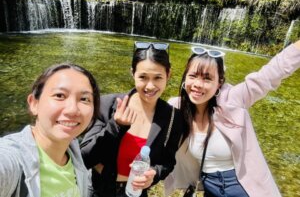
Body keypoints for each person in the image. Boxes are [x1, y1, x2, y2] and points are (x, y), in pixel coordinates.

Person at [164, 40, 300, 197]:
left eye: (207, 79)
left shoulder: (232, 100)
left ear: (219, 82)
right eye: (193, 76)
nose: (198, 84)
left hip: (243, 188)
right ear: (185, 78)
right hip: (209, 188)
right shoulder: (177, 108)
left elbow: (270, 74)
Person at [80, 41, 187, 197]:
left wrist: (154, 174)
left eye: (158, 77)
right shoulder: (107, 105)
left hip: (135, 192)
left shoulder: (173, 118)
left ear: (168, 75)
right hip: (98, 189)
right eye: (143, 77)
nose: (150, 86)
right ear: (133, 73)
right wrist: (115, 126)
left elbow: (167, 162)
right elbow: (85, 159)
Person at [0, 63, 101, 197]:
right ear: (34, 103)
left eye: (84, 99)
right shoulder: (13, 160)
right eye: (59, 95)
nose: (72, 110)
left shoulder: (73, 150)